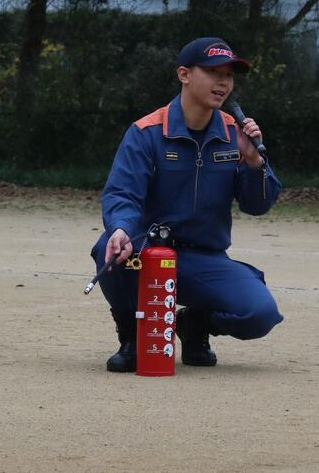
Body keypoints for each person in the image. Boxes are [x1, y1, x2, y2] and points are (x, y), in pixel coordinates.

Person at [90, 37, 284, 372]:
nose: (223, 82)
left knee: (260, 314)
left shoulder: (234, 134)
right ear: (184, 74)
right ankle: (133, 338)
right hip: (147, 252)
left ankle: (194, 324)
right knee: (109, 245)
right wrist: (121, 228)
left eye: (228, 75)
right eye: (213, 72)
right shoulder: (146, 132)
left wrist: (254, 162)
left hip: (203, 258)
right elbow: (122, 193)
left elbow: (258, 205)